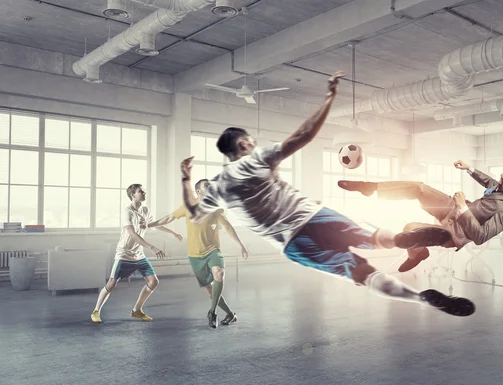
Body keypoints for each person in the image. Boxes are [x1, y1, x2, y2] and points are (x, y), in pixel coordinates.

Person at [178, 71, 475, 317]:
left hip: (292, 242)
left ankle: (420, 298)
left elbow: (193, 214)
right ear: (242, 144)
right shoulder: (256, 159)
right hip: (314, 215)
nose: (253, 144)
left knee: (361, 274)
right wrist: (329, 97)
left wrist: (185, 179)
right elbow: (303, 135)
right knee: (371, 238)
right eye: (250, 141)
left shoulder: (217, 186)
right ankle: (400, 240)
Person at [338, 161, 503, 272]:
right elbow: (490, 181)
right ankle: (370, 188)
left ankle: (418, 254)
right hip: (452, 209)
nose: (498, 183)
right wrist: (469, 168)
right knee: (418, 188)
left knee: (410, 228)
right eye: (501, 178)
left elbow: (480, 237)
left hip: (456, 232)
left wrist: (463, 207)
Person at [149, 178, 249, 329]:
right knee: (209, 288)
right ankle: (230, 314)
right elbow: (168, 218)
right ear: (198, 192)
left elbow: (228, 227)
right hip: (195, 255)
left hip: (213, 250)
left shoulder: (216, 208)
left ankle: (212, 312)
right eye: (206, 186)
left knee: (219, 273)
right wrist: (149, 224)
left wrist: (241, 245)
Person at [91, 184, 182, 323]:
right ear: (133, 195)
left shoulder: (145, 209)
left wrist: (173, 233)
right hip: (124, 254)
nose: (144, 192)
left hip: (139, 255)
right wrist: (152, 247)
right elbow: (133, 234)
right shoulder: (127, 212)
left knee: (153, 281)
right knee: (111, 284)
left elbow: (156, 224)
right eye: (141, 191)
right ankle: (96, 311)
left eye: (144, 190)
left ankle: (136, 311)